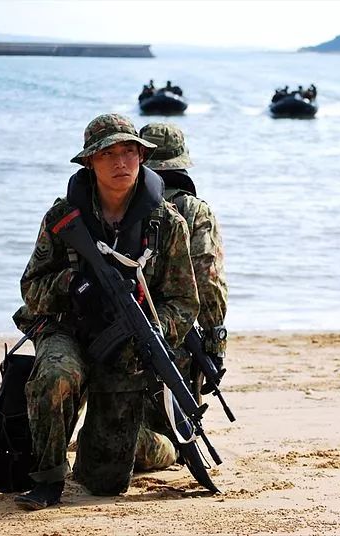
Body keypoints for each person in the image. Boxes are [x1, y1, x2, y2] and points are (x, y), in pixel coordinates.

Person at [12, 113, 199, 509]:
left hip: (128, 346)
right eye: (107, 154)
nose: (120, 163)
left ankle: (164, 447)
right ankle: (47, 479)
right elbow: (31, 289)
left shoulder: (167, 224)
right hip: (68, 330)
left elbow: (184, 303)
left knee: (104, 482)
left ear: (142, 157)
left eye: (129, 152)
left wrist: (151, 330)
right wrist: (73, 285)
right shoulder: (63, 218)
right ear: (89, 162)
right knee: (56, 375)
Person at [133, 122, 228, 472]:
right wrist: (215, 343)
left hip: (120, 334)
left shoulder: (118, 203)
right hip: (173, 342)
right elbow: (208, 281)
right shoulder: (194, 210)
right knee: (172, 439)